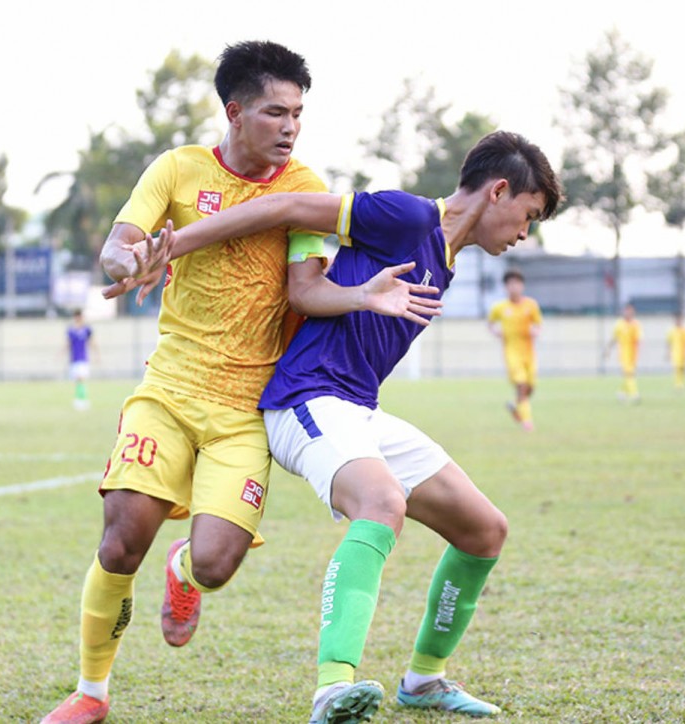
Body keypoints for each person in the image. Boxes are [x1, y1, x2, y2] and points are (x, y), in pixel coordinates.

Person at [41, 41, 442, 724]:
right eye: (274, 112)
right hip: (168, 391)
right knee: (120, 539)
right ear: (235, 111)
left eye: (297, 114)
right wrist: (128, 258)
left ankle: (184, 573)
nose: (289, 127)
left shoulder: (304, 188)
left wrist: (363, 295)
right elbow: (120, 241)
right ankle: (91, 692)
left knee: (218, 562)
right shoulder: (177, 169)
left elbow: (307, 291)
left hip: (246, 409)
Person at [146, 130, 562, 723]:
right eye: (529, 215)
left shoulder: (447, 265)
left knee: (484, 531)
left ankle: (424, 679)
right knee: (382, 502)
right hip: (304, 399)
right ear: (499, 191)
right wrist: (174, 244)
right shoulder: (408, 215)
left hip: (357, 409)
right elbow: (285, 208)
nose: (524, 233)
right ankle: (332, 687)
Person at [487, 268, 542, 430]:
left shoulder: (531, 305)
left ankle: (517, 410)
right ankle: (527, 421)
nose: (514, 287)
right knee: (521, 386)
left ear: (522, 286)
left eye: (517, 284)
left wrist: (536, 331)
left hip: (529, 353)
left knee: (530, 387)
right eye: (510, 284)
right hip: (511, 352)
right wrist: (496, 332)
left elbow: (538, 324)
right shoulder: (500, 308)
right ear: (506, 287)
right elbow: (490, 324)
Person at [604, 303, 642, 403]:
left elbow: (638, 340)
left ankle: (621, 392)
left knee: (629, 374)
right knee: (629, 374)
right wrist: (608, 349)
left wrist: (638, 352)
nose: (629, 313)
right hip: (623, 353)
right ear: (624, 311)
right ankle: (634, 394)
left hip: (633, 354)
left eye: (631, 311)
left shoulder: (636, 324)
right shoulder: (619, 324)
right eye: (627, 310)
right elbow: (614, 338)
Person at [67, 310, 97, 410]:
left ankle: (82, 400)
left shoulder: (86, 329)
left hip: (83, 358)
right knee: (77, 381)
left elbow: (92, 342)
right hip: (74, 358)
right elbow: (68, 344)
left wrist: (97, 354)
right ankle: (80, 399)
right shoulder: (71, 330)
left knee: (81, 379)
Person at [666, 313, 685, 390]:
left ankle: (681, 382)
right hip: (675, 352)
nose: (678, 321)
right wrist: (668, 352)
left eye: (680, 319)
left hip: (683, 352)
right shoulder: (671, 331)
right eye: (677, 320)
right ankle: (678, 384)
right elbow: (669, 342)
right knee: (676, 368)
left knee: (683, 368)